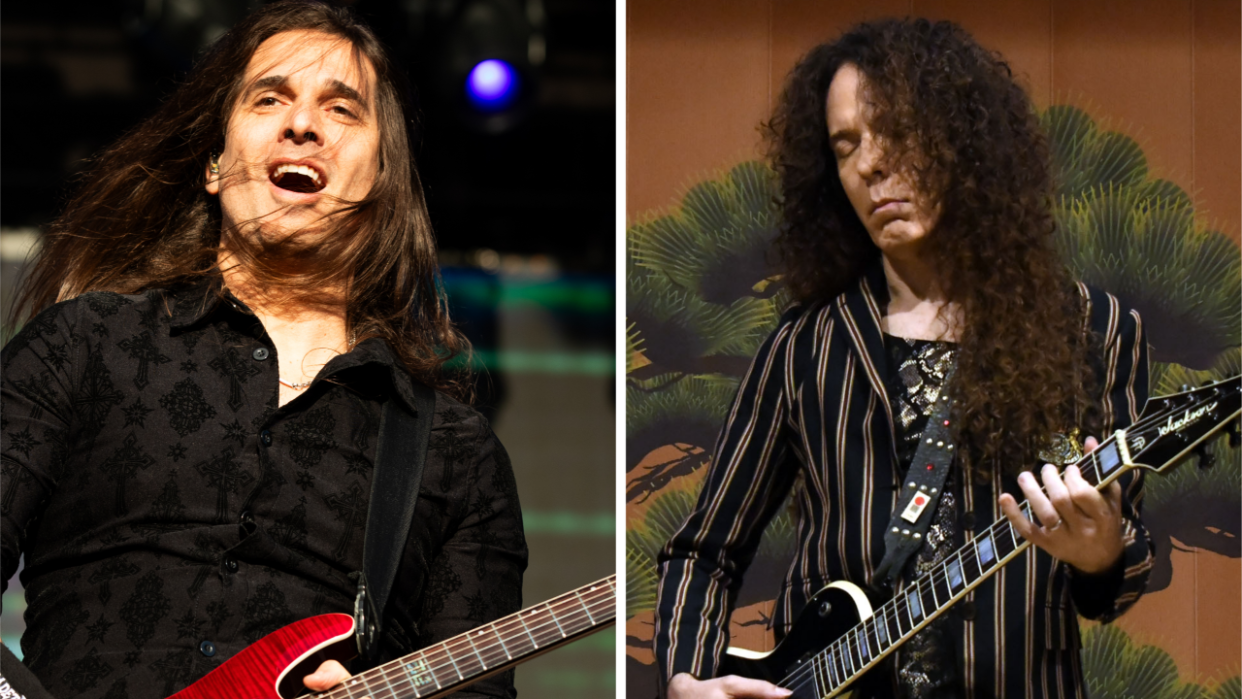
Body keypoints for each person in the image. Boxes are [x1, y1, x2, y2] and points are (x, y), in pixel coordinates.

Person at [0, 2, 526, 698]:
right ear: (215, 167)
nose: (303, 124)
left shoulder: (458, 458)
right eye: (270, 97)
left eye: (342, 109)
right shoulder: (86, 344)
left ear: (381, 185)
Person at [653, 18, 1151, 699]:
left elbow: (1118, 572)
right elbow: (703, 550)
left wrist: (1103, 553)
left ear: (963, 139)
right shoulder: (805, 348)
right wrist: (688, 679)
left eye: (895, 132)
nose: (870, 164)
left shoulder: (1095, 329)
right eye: (845, 146)